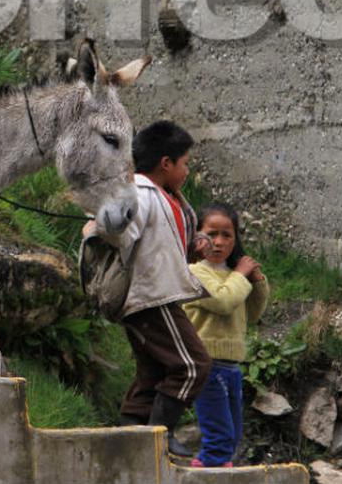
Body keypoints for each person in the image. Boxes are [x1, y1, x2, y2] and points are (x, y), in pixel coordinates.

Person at [82, 120, 212, 457]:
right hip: (152, 297)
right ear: (165, 163)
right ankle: (159, 435)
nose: (187, 171)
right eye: (185, 163)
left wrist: (192, 248)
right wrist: (102, 225)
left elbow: (161, 243)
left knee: (153, 371)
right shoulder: (140, 193)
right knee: (193, 365)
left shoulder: (167, 197)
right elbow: (120, 235)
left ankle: (129, 437)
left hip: (155, 294)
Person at [184, 202, 270, 468]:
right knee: (219, 438)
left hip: (231, 366)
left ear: (236, 239)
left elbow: (252, 314)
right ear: (196, 236)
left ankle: (217, 469)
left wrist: (256, 281)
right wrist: (241, 275)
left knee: (232, 437)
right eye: (211, 234)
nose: (218, 242)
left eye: (227, 235)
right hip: (206, 364)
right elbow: (223, 301)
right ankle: (207, 472)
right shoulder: (193, 271)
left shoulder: (233, 275)